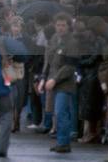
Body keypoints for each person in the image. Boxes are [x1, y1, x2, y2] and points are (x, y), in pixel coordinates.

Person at [38, 13, 79, 153]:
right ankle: (61, 141)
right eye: (58, 25)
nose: (60, 28)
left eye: (63, 25)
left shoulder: (72, 42)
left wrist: (55, 79)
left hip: (64, 83)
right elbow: (48, 61)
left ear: (68, 26)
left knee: (61, 111)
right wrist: (43, 77)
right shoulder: (54, 39)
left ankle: (64, 143)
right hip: (51, 80)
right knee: (55, 112)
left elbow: (70, 66)